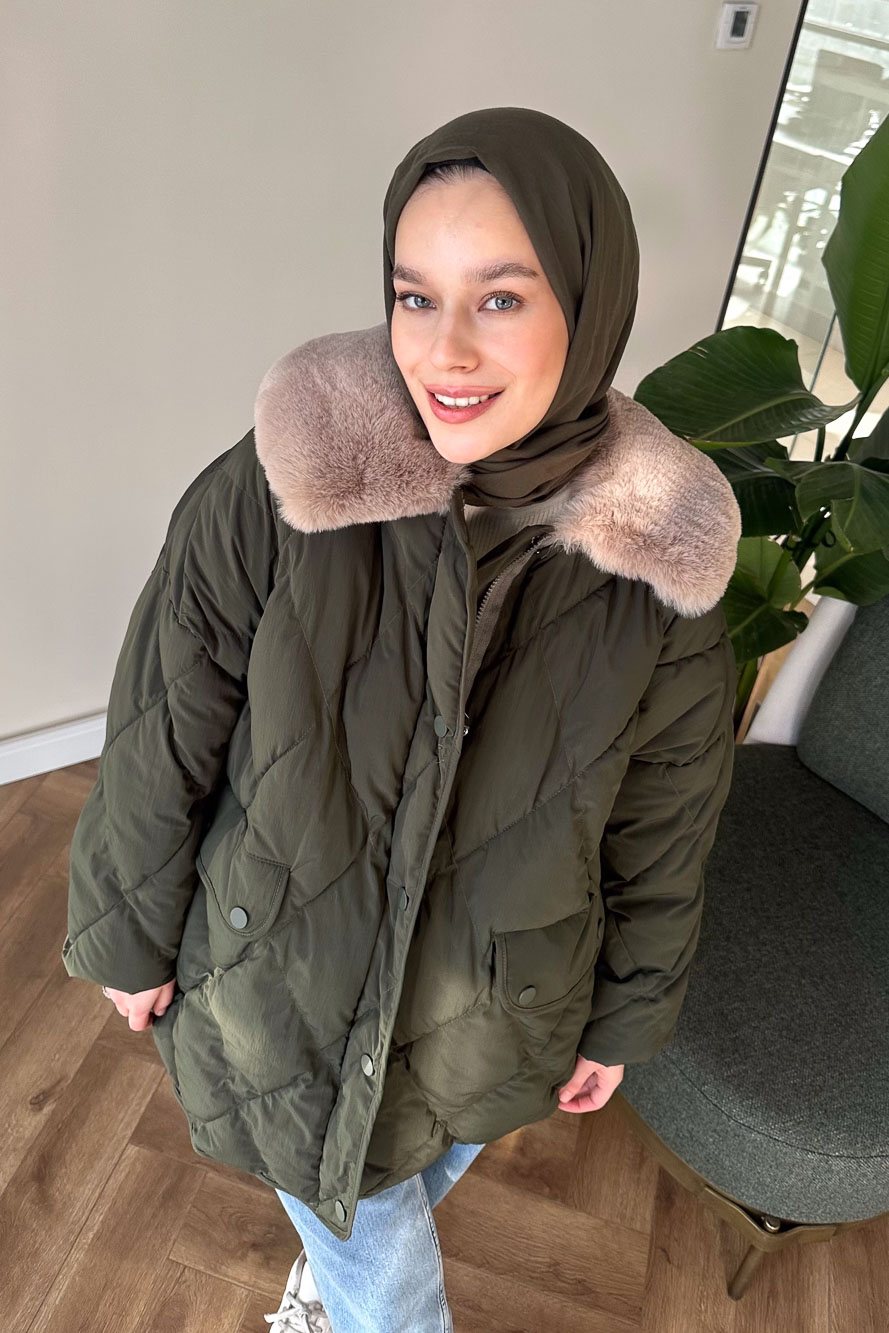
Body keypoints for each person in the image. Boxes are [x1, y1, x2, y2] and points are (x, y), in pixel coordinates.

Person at [63, 106, 742, 1333]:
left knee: (397, 1170)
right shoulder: (277, 485)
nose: (445, 349)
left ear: (589, 303)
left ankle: (323, 1293)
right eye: (413, 296)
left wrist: (625, 1010)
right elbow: (165, 724)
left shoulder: (660, 570)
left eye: (500, 298)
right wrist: (128, 930)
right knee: (386, 1266)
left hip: (498, 999)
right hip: (281, 973)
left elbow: (664, 821)